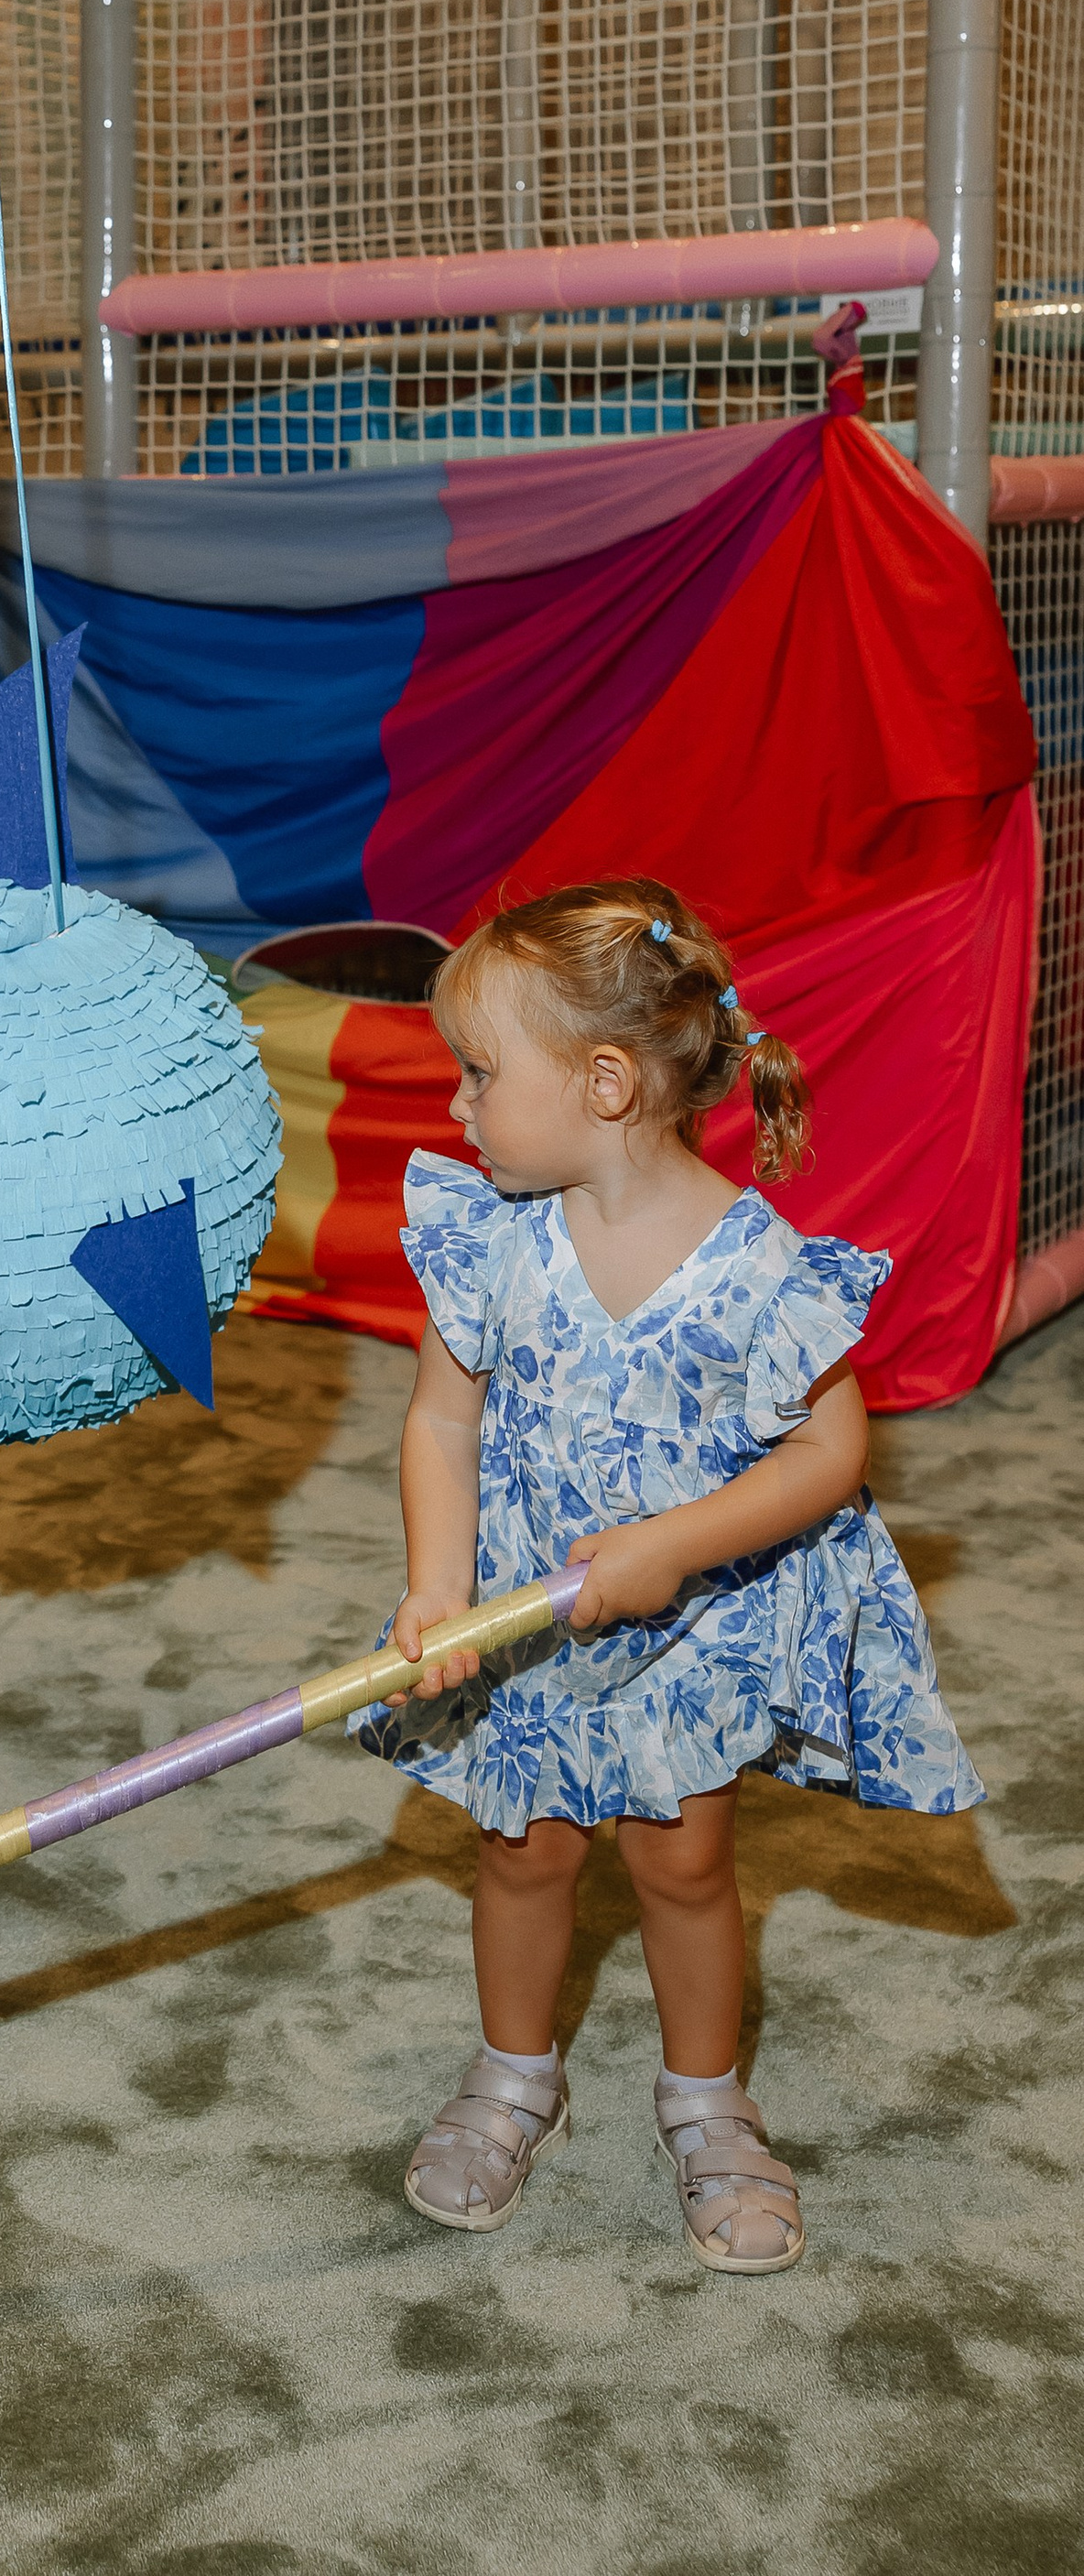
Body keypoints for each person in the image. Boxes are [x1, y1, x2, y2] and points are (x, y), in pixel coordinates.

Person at [357, 880, 980, 2272]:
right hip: (524, 1624)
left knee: (685, 1864)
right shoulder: (494, 1237)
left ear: (606, 1080)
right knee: (522, 1856)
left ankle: (709, 2106)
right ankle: (515, 2076)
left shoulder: (760, 1266)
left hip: (688, 1631)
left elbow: (830, 1456)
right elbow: (440, 1421)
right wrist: (436, 1587)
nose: (455, 1108)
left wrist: (674, 1548)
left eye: (478, 1072)